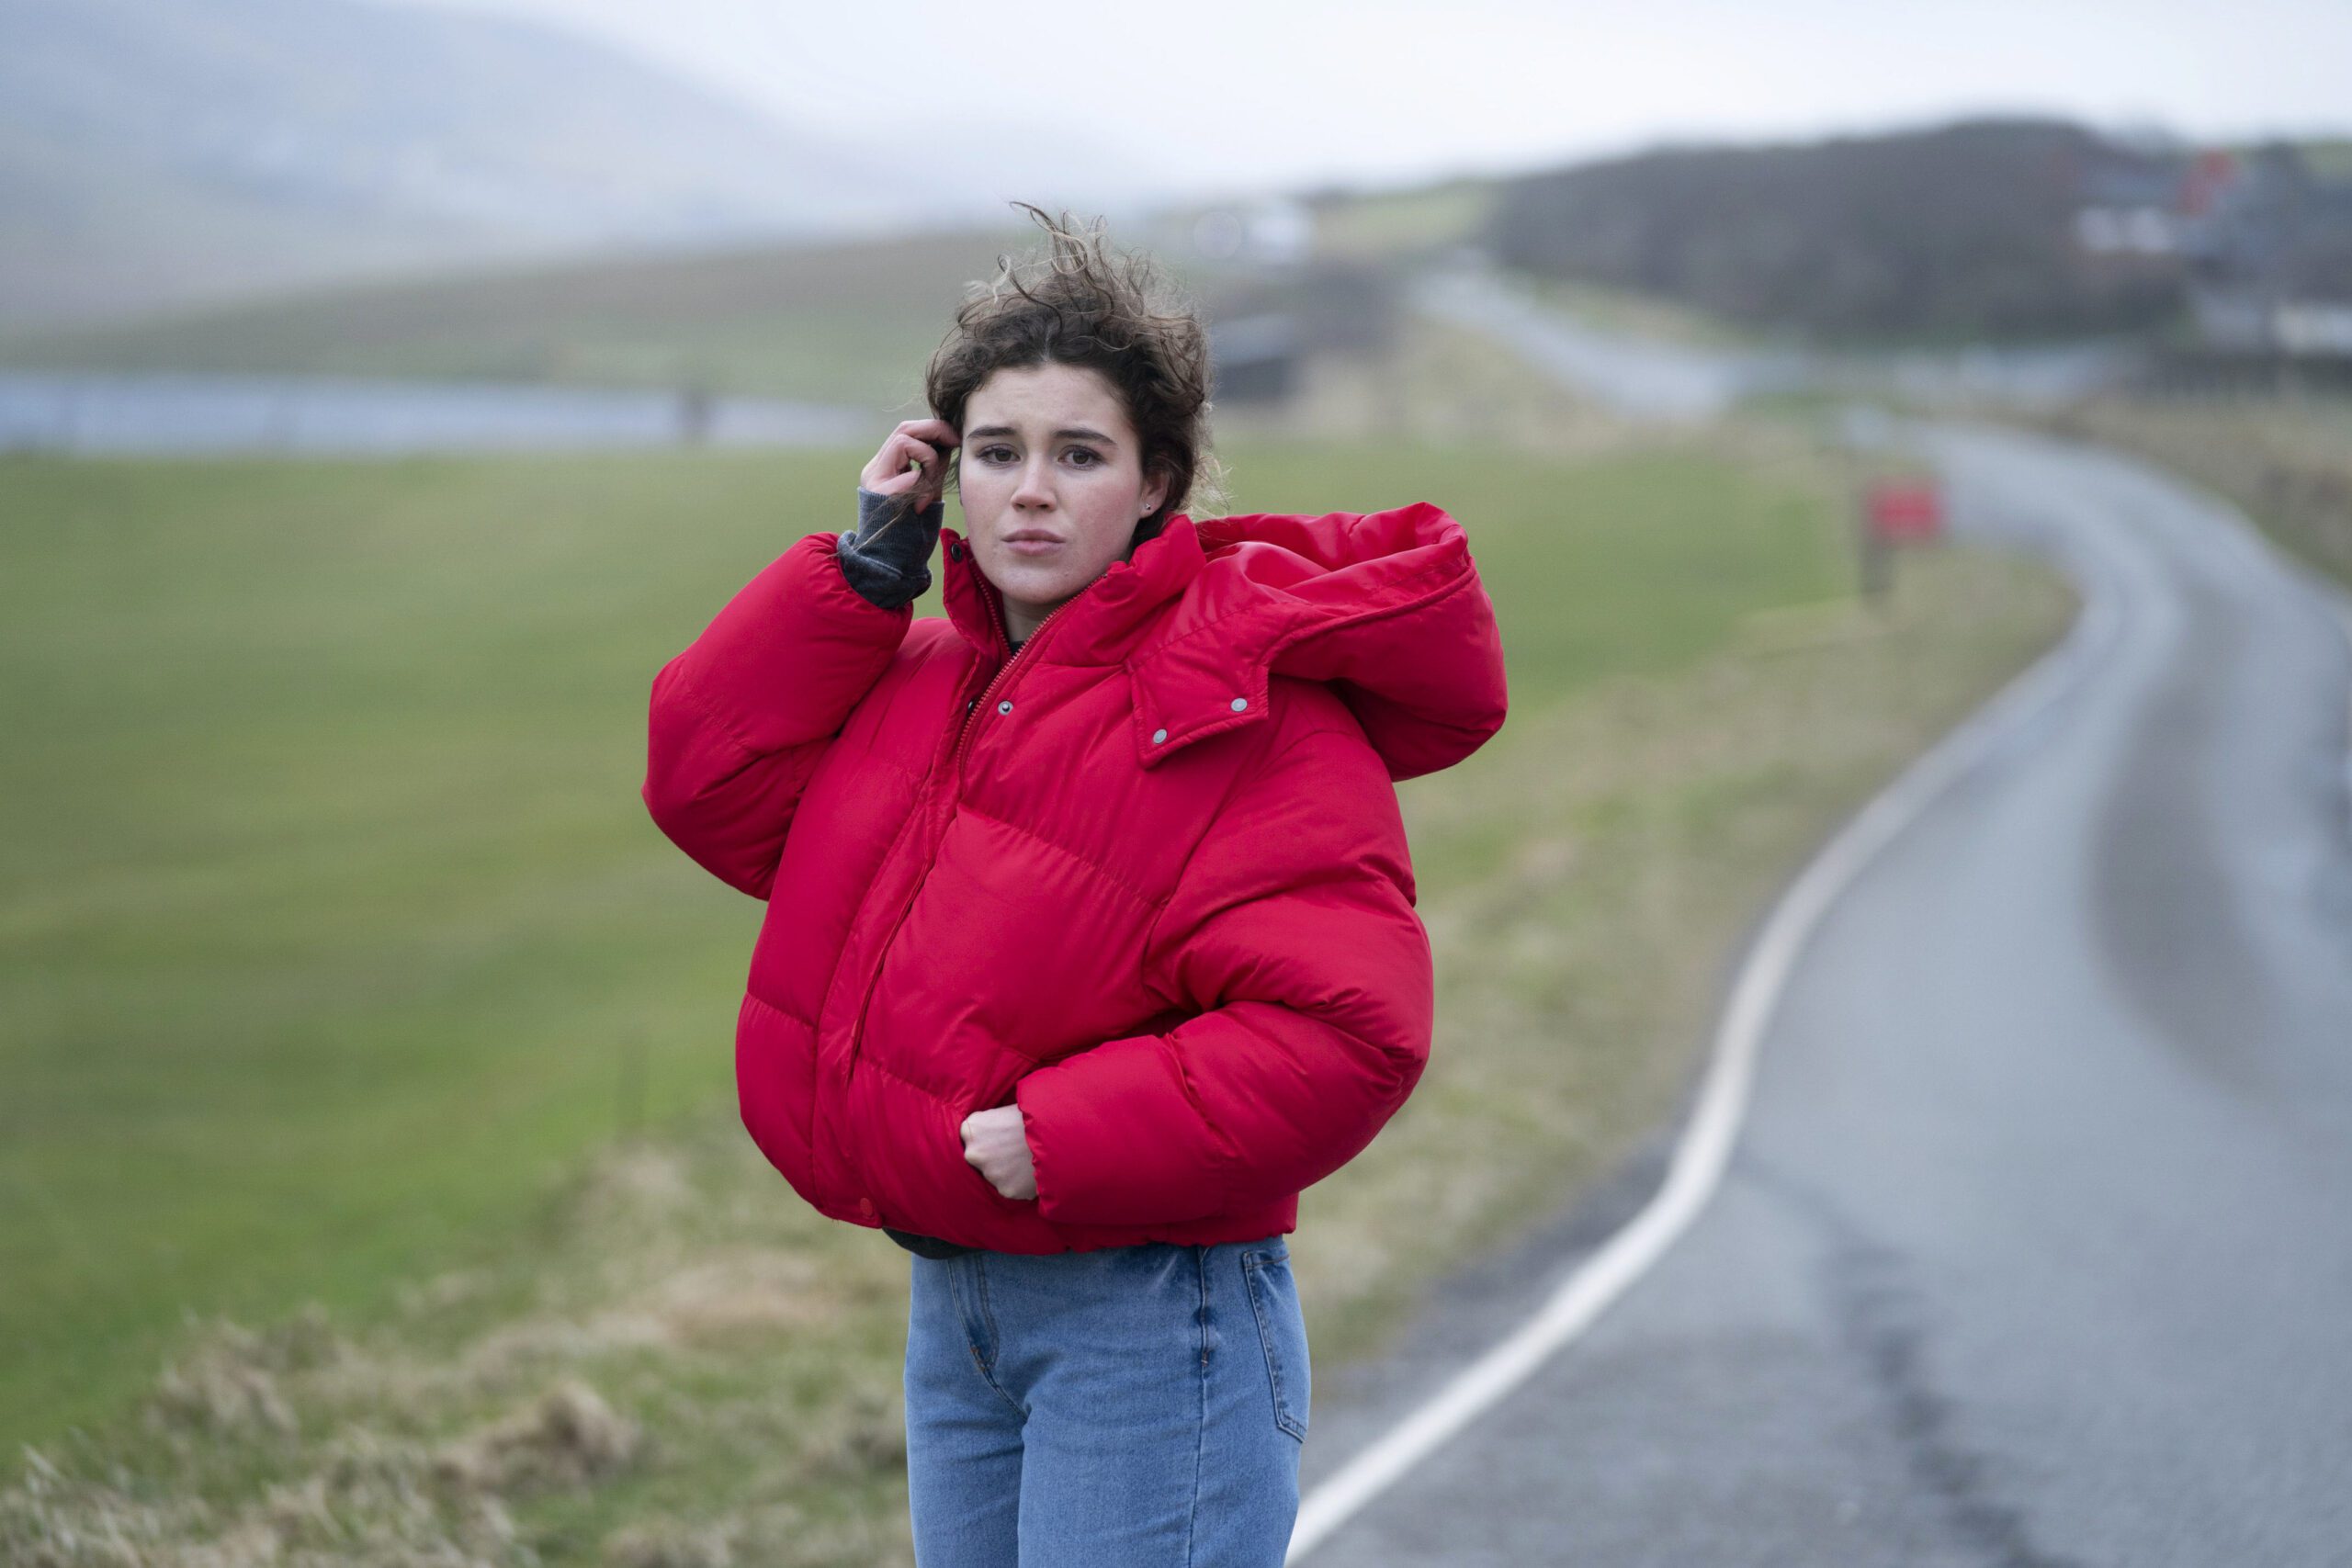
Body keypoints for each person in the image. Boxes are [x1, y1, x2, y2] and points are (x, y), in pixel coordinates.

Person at [640, 202, 1509, 1566]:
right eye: (996, 452)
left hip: (1153, 1321)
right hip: (960, 1312)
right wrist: (864, 577)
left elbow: (1351, 1030)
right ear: (946, 478)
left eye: (1078, 453)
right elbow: (712, 791)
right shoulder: (923, 684)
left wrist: (1065, 1134)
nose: (1030, 489)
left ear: (1158, 482)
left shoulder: (1248, 710)